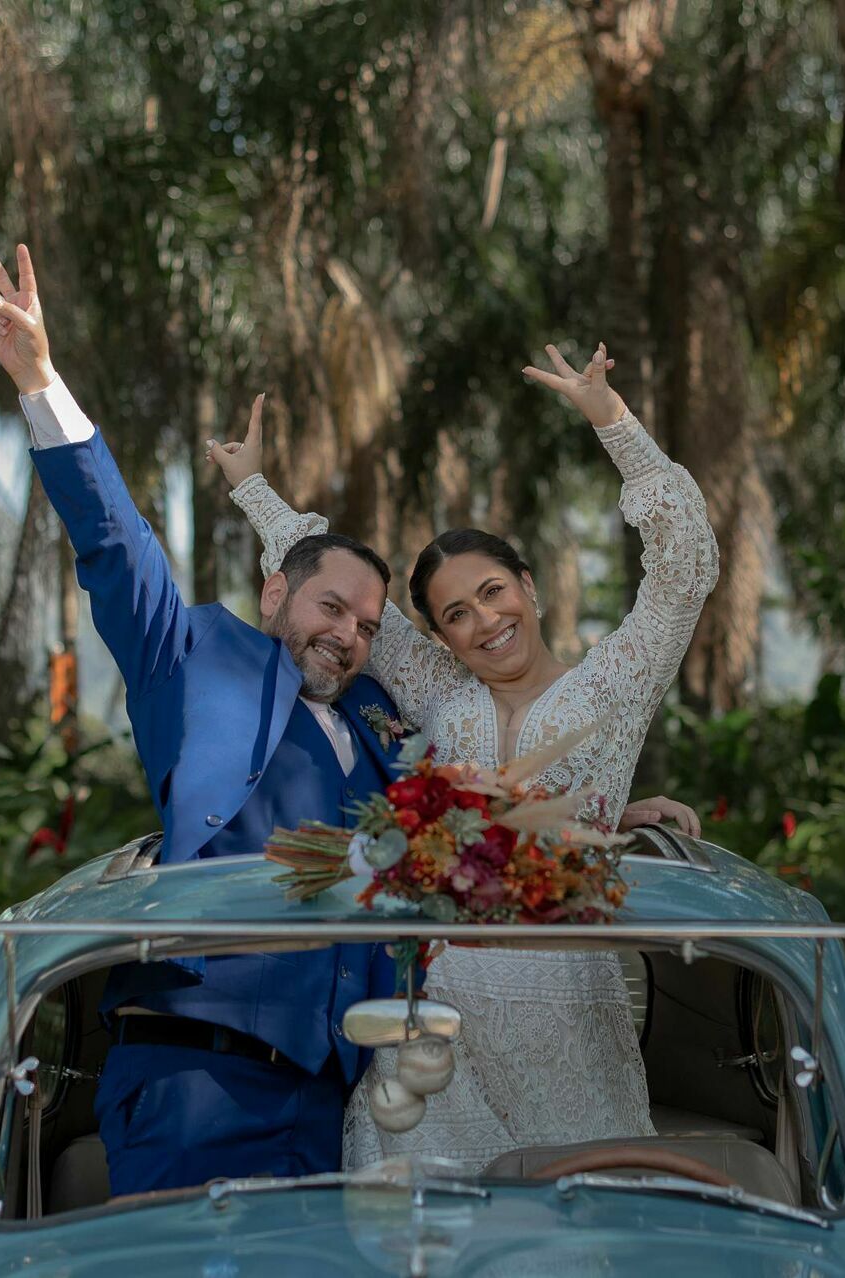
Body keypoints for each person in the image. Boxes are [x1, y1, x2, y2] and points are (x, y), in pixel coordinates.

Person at [212, 340, 720, 1171]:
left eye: (493, 592)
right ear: (440, 636)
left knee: (574, 1233)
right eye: (455, 615)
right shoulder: (442, 691)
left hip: (568, 1018)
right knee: (424, 1236)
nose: (484, 623)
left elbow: (684, 565)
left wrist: (611, 419)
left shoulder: (617, 681)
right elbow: (325, 572)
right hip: (434, 1019)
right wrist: (252, 487)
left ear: (530, 585)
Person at [0, 243, 411, 1196]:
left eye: (369, 626)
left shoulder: (383, 727)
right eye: (330, 608)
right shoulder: (196, 660)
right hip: (194, 1077)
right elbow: (115, 546)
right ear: (274, 595)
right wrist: (43, 383)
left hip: (338, 1103)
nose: (346, 637)